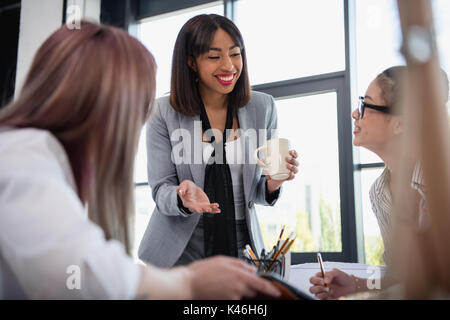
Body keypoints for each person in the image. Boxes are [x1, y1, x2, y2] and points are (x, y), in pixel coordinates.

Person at [0, 21, 281, 300]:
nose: (131, 129)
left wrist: (272, 183)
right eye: (132, 107)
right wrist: (188, 284)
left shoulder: (35, 153)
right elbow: (80, 272)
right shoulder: (23, 158)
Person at [138, 14, 299, 267]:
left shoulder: (263, 107)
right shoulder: (162, 112)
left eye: (235, 54)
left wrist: (272, 184)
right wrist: (183, 197)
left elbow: (256, 192)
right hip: (182, 243)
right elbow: (160, 190)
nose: (229, 66)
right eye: (214, 57)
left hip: (242, 240)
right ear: (191, 62)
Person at [309, 66, 449, 299]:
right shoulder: (380, 192)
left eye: (366, 104)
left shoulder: (441, 184)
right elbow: (401, 276)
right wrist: (356, 284)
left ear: (400, 124)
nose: (355, 113)